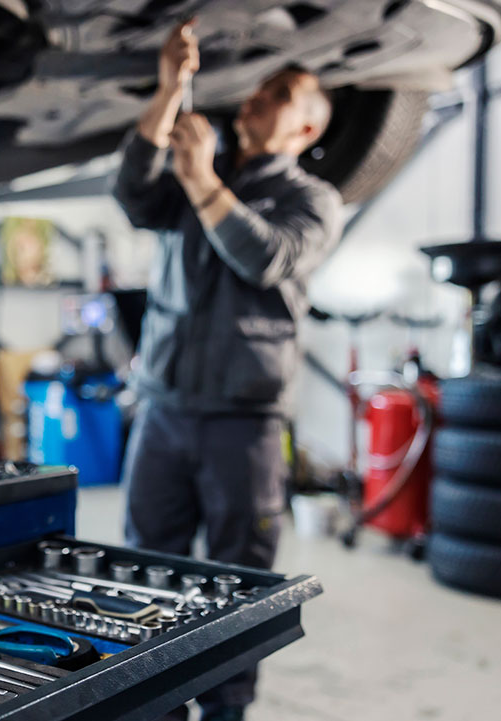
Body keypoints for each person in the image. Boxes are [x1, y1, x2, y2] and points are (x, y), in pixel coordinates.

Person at [113, 18, 343, 721]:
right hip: (162, 407)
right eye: (257, 90)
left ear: (303, 131)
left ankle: (224, 709)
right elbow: (131, 191)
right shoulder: (192, 182)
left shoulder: (313, 201)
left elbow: (264, 256)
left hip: (242, 424)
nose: (254, 99)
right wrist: (167, 91)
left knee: (237, 582)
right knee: (147, 571)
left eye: (277, 95)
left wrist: (202, 177)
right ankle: (154, 702)